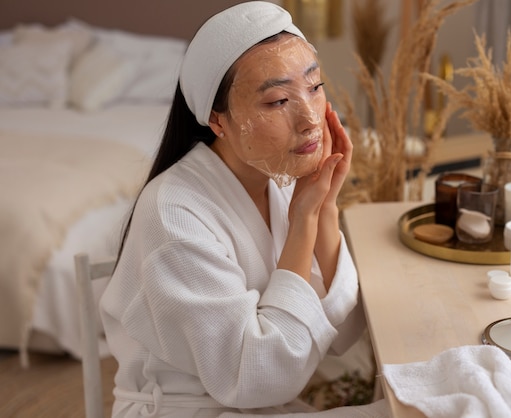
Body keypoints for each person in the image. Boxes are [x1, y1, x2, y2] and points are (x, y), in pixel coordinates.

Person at [100, 2, 388, 417]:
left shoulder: (279, 178)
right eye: (276, 101)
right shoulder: (174, 214)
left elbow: (343, 334)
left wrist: (324, 207)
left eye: (314, 86)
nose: (310, 119)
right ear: (218, 121)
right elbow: (257, 377)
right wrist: (304, 220)